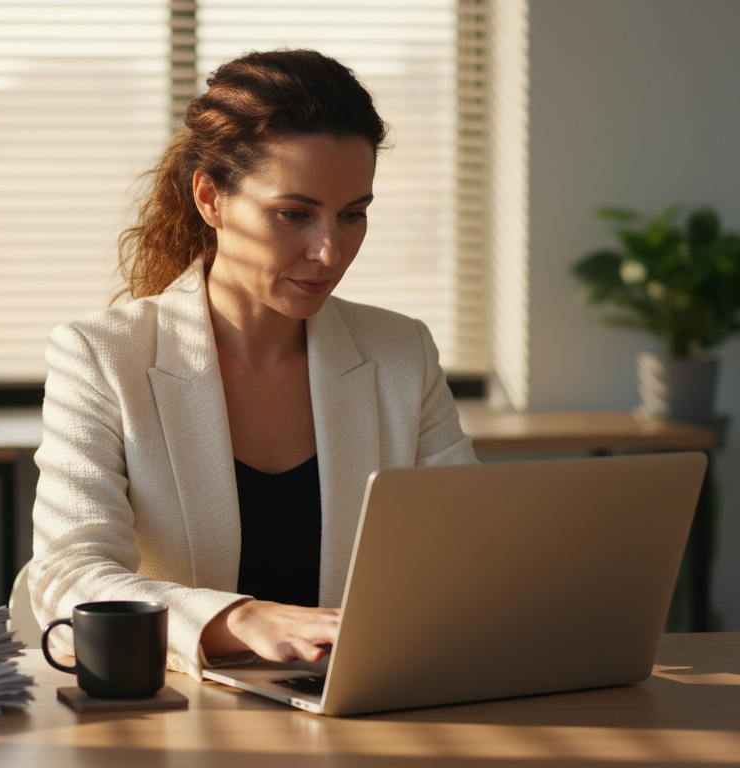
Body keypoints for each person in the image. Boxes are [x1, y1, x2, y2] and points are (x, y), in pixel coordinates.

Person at [30, 49, 477, 679]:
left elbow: (468, 551)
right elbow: (67, 575)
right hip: (187, 718)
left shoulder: (400, 351)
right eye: (294, 214)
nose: (329, 251)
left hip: (365, 704)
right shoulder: (103, 355)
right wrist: (237, 618)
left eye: (353, 215)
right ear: (211, 199)